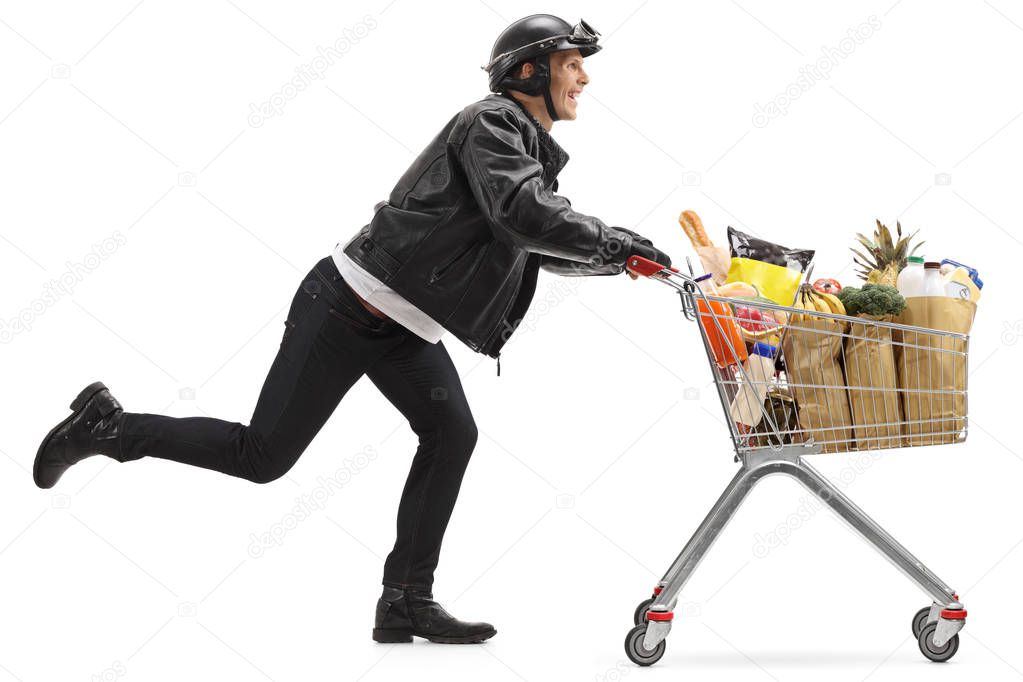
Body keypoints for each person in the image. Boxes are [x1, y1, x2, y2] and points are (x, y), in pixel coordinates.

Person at [32, 13, 672, 645]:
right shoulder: (493, 123)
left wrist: (620, 259)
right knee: (262, 458)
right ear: (530, 71)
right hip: (346, 306)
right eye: (572, 64)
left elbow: (524, 237)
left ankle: (405, 602)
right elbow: (523, 213)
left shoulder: (520, 144)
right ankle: (109, 428)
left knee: (452, 434)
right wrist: (614, 242)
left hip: (402, 327)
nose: (584, 78)